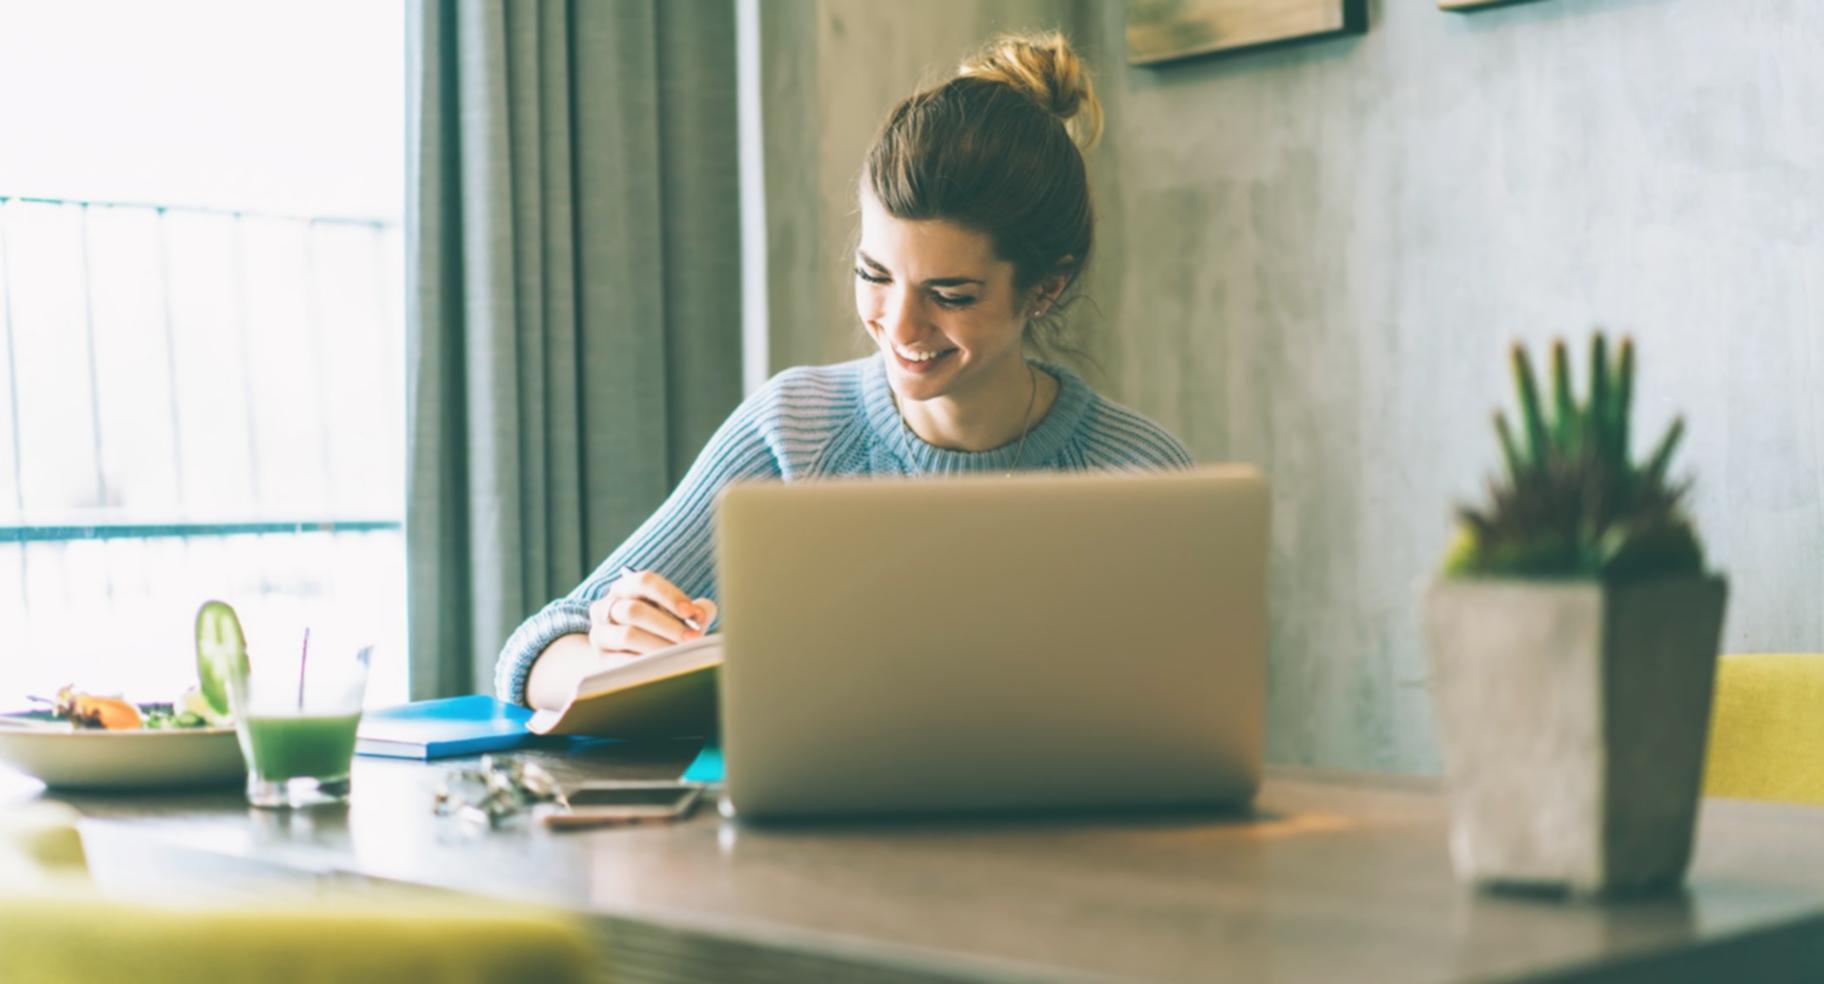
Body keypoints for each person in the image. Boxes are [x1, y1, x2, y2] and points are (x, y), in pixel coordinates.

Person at [497, 30, 1193, 710]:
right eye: (874, 274)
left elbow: (1192, 729)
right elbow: (531, 654)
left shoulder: (1141, 475)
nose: (900, 325)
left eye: (950, 296)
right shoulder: (798, 427)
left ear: (1045, 288)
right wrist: (619, 656)